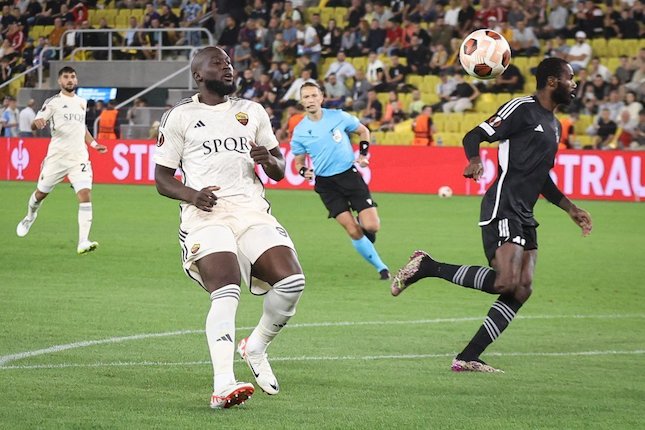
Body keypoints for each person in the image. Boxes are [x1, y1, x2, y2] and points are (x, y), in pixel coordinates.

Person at [390, 57, 593, 373]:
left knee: (522, 288)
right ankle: (427, 266)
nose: (575, 84)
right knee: (505, 281)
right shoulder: (521, 108)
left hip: (525, 213)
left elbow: (541, 177)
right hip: (503, 205)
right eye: (571, 78)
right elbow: (473, 134)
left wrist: (571, 209)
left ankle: (468, 356)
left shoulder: (554, 125)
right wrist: (474, 159)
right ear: (552, 81)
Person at [153, 46, 305, 409]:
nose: (228, 68)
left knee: (292, 281)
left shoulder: (252, 111)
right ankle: (223, 383)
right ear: (198, 75)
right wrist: (192, 195)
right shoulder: (180, 116)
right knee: (227, 286)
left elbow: (279, 168)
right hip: (205, 215)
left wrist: (268, 158)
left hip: (251, 211)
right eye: (218, 63)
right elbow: (161, 178)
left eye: (230, 63)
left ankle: (255, 346)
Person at [290, 82, 390, 280]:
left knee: (372, 227)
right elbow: (298, 160)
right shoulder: (300, 131)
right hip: (326, 185)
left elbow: (363, 131)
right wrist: (303, 171)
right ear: (302, 101)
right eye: (306, 97)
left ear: (321, 98)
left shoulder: (338, 116)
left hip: (349, 176)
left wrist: (363, 154)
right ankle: (382, 268)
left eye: (313, 96)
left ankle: (366, 237)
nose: (310, 100)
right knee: (352, 230)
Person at [15, 66, 108, 254]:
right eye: (66, 77)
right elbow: (37, 122)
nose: (70, 80)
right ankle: (30, 216)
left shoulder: (82, 102)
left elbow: (82, 128)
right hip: (56, 158)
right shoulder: (53, 102)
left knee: (85, 194)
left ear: (76, 80)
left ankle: (83, 240)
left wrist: (94, 144)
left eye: (73, 76)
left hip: (79, 157)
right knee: (41, 194)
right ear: (60, 81)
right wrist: (37, 123)